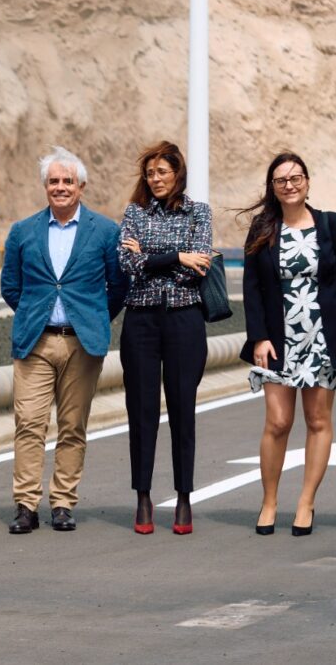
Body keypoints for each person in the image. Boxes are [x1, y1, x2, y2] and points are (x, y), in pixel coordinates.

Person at [238, 152, 336, 537]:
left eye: (296, 178)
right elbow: (252, 288)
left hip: (322, 335)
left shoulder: (331, 225)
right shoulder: (262, 228)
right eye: (281, 180)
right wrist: (258, 336)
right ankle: (269, 501)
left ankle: (306, 502)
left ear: (308, 182)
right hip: (279, 338)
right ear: (273, 188)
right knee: (278, 422)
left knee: (317, 421)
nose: (290, 185)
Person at [0, 147, 128, 535]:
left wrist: (91, 318)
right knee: (29, 424)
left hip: (81, 344)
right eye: (53, 181)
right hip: (35, 342)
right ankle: (26, 504)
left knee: (73, 426)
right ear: (45, 186)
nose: (60, 187)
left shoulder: (105, 231)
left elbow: (117, 286)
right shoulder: (22, 231)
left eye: (67, 181)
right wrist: (35, 313)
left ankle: (62, 503)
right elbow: (11, 286)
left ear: (81, 186)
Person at [118, 140, 212, 535]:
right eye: (150, 173)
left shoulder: (199, 213)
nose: (155, 179)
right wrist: (176, 257)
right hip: (140, 322)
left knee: (182, 411)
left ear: (178, 174)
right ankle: (143, 495)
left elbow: (200, 266)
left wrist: (153, 260)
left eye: (163, 172)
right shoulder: (134, 212)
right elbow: (128, 264)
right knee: (141, 413)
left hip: (184, 320)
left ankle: (184, 497)